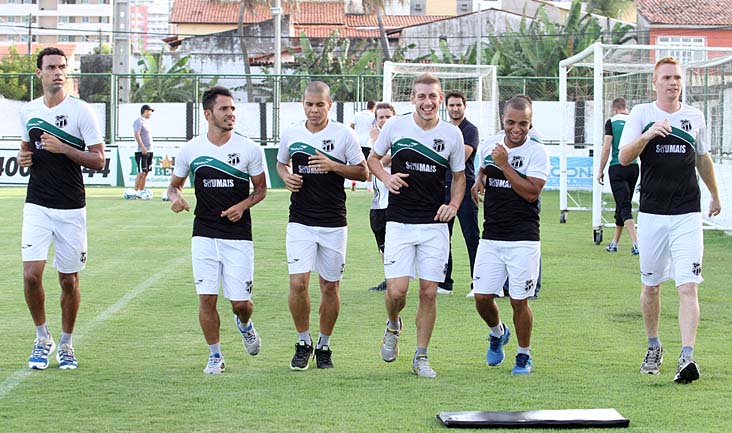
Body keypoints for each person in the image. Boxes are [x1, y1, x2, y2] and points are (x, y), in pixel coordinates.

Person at [618, 56, 721, 384]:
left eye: (677, 77)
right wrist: (648, 135)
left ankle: (687, 357)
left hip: (687, 215)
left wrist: (715, 195)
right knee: (651, 286)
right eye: (666, 78)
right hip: (651, 215)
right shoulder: (641, 114)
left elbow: (702, 158)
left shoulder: (695, 116)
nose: (672, 82)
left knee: (688, 286)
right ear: (654, 82)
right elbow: (623, 157)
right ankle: (653, 346)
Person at [368, 73, 466, 378]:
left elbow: (460, 178)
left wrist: (453, 205)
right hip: (398, 221)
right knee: (397, 292)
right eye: (421, 96)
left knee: (428, 292)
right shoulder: (396, 126)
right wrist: (386, 177)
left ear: (440, 99)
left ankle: (421, 356)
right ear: (412, 99)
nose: (427, 102)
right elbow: (372, 159)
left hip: (434, 225)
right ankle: (393, 326)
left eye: (432, 97)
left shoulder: (452, 135)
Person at [167, 86, 266, 375]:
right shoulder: (191, 149)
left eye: (233, 109)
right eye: (224, 109)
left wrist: (243, 206)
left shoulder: (249, 148)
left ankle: (245, 325)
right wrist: (175, 198)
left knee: (240, 304)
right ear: (208, 113)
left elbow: (261, 190)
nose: (231, 114)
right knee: (207, 297)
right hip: (204, 234)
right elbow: (174, 186)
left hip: (238, 237)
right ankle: (215, 355)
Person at [18, 47, 105, 370]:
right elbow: (27, 150)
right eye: (51, 67)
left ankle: (66, 344)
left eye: (62, 67)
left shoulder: (82, 111)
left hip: (71, 207)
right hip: (37, 203)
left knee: (68, 281)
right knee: (31, 276)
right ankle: (42, 338)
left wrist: (65, 148)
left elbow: (99, 159)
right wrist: (23, 158)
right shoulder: (28, 111)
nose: (58, 72)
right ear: (39, 73)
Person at [277, 81, 368, 370]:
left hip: (333, 222)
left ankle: (324, 345)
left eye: (320, 104)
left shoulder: (344, 134)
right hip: (300, 220)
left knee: (330, 287)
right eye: (309, 104)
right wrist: (285, 176)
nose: (314, 110)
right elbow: (281, 163)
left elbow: (364, 172)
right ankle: (303, 342)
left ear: (330, 105)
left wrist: (334, 166)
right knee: (298, 283)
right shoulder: (292, 132)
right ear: (302, 104)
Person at [470, 95, 549, 375]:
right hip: (491, 234)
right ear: (502, 120)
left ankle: (524, 355)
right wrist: (479, 181)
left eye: (523, 124)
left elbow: (531, 193)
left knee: (519, 300)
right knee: (481, 297)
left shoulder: (537, 152)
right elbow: (483, 168)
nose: (517, 129)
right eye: (511, 123)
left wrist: (505, 165)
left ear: (530, 122)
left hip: (523, 238)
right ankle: (497, 332)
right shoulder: (490, 144)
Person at [437, 90, 480, 296]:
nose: (455, 109)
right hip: (442, 189)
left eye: (458, 105)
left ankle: (478, 284)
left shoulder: (470, 130)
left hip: (465, 188)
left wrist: (439, 155)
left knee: (471, 236)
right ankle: (445, 283)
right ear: (446, 107)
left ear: (465, 106)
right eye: (451, 105)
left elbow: (460, 156)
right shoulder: (441, 129)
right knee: (443, 236)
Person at [597, 97, 639, 254]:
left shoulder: (611, 122)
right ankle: (614, 242)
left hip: (617, 167)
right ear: (626, 107)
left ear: (614, 109)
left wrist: (600, 169)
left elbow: (607, 147)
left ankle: (636, 243)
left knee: (624, 205)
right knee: (621, 204)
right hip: (634, 167)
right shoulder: (634, 121)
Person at [366, 102, 396, 292]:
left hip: (394, 201)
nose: (384, 120)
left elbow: (384, 159)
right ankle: (388, 278)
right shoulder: (376, 140)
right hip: (378, 201)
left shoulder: (398, 137)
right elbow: (370, 168)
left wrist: (377, 144)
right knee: (382, 243)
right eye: (381, 117)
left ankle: (395, 279)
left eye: (387, 117)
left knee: (394, 243)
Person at [350, 100, 376, 190]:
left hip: (357, 143)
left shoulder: (358, 114)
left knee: (357, 166)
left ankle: (353, 184)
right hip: (368, 143)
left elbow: (352, 126)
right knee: (369, 166)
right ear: (374, 107)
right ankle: (369, 187)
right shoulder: (373, 116)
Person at [130, 104, 154, 199]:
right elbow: (137, 134)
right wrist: (142, 147)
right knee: (141, 172)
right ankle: (135, 192)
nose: (151, 113)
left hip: (150, 151)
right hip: (142, 151)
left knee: (146, 172)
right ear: (145, 111)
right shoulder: (138, 121)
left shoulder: (147, 122)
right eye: (150, 111)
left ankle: (141, 191)